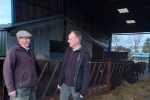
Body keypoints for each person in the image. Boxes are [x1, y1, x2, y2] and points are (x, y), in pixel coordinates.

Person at [3, 30, 39, 100]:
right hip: (19, 89)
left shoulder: (31, 52)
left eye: (29, 38)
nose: (28, 40)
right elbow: (7, 70)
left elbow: (34, 68)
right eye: (26, 38)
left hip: (31, 88)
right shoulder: (13, 51)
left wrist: (34, 82)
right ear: (19, 39)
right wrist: (10, 88)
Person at [57, 30, 91, 100]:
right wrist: (59, 82)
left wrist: (83, 91)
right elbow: (63, 67)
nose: (68, 41)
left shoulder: (85, 54)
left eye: (70, 39)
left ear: (77, 41)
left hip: (76, 88)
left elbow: (86, 74)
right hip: (65, 85)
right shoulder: (68, 51)